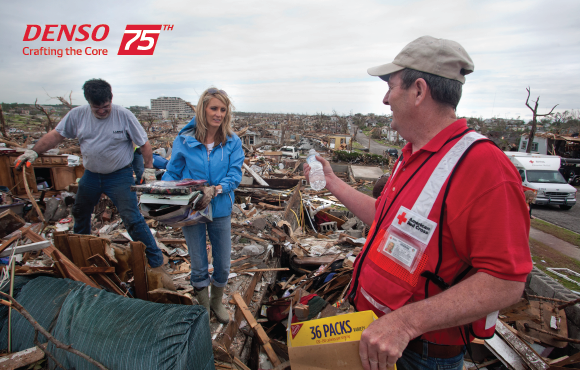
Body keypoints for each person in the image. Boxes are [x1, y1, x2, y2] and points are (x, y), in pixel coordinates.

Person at [304, 36, 532, 370]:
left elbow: (507, 282)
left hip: (418, 353)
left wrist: (405, 323)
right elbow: (383, 219)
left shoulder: (483, 167)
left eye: (391, 86)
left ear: (419, 91)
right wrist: (333, 182)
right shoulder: (413, 156)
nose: (385, 99)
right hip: (381, 337)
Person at [14, 79, 164, 268]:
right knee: (80, 211)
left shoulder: (123, 115)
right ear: (89, 103)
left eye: (106, 107)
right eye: (96, 108)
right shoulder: (77, 115)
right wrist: (34, 151)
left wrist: (148, 168)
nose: (102, 111)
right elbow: (56, 135)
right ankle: (83, 253)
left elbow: (144, 144)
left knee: (131, 218)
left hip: (119, 176)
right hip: (92, 175)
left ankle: (155, 260)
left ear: (111, 99)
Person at [162, 88, 244, 323]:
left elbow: (234, 174)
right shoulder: (185, 139)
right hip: (192, 209)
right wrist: (164, 194)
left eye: (222, 109)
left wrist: (217, 189)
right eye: (213, 108)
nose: (218, 114)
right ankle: (204, 306)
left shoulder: (232, 141)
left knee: (223, 263)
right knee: (198, 262)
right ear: (203, 109)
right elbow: (173, 171)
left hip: (219, 208)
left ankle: (216, 301)